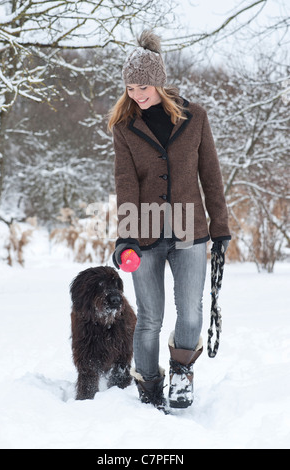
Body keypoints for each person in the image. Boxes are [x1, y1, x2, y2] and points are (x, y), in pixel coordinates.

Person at [108, 30, 231, 412]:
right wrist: (125, 237)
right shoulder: (125, 127)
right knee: (149, 318)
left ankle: (182, 374)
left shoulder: (195, 118)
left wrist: (220, 226)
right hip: (144, 232)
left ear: (159, 81)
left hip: (189, 230)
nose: (136, 94)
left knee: (191, 312)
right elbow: (125, 183)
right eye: (130, 87)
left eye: (142, 86)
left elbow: (210, 174)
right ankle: (148, 388)